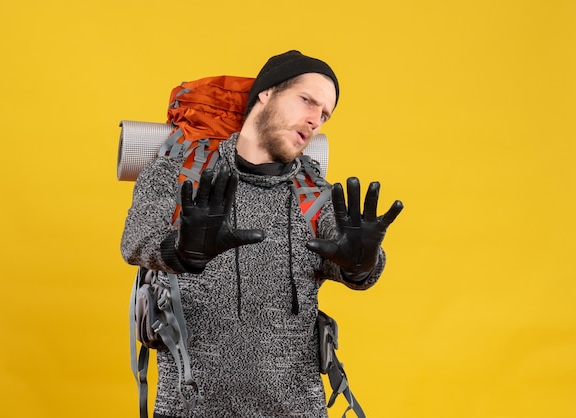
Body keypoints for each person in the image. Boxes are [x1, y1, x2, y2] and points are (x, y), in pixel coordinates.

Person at [121, 50, 404, 418]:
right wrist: (181, 251)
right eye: (307, 101)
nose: (314, 120)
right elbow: (135, 239)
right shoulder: (179, 171)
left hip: (297, 409)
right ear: (266, 94)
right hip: (188, 408)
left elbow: (352, 257)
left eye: (324, 114)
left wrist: (363, 263)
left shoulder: (315, 194)